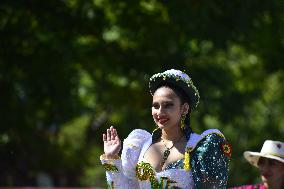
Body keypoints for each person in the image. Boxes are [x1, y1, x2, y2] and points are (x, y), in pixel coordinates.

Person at [100, 69, 232, 188]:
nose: (160, 112)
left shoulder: (200, 148)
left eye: (168, 105)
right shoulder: (139, 145)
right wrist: (111, 158)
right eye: (155, 106)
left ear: (184, 108)